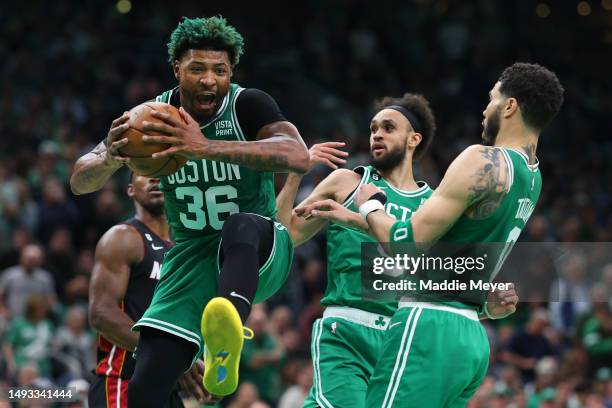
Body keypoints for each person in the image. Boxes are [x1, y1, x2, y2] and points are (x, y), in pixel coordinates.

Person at [70, 16, 309, 405]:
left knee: (241, 225)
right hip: (190, 259)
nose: (210, 79)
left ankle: (225, 335)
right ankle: (214, 334)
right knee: (145, 390)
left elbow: (297, 156)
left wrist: (206, 147)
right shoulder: (152, 116)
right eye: (197, 68)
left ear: (232, 72)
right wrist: (111, 156)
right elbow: (80, 180)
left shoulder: (248, 104)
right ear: (176, 69)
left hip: (259, 248)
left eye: (220, 70)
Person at [300, 62, 564, 406]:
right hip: (472, 338)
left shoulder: (482, 159)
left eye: (491, 99)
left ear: (510, 106)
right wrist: (352, 219)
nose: (486, 110)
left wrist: (370, 206)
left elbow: (406, 247)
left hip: (428, 326)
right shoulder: (532, 179)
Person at [276, 93, 436, 407]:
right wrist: (296, 173)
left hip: (402, 342)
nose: (377, 134)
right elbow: (286, 236)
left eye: (389, 128)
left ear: (413, 139)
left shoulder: (433, 204)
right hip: (348, 329)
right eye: (374, 128)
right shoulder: (346, 182)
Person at [88, 173, 212, 407]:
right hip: (122, 381)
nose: (156, 178)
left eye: (162, 172)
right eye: (145, 172)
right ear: (130, 190)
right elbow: (101, 313)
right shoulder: (123, 237)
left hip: (166, 387)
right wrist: (165, 359)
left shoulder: (184, 249)